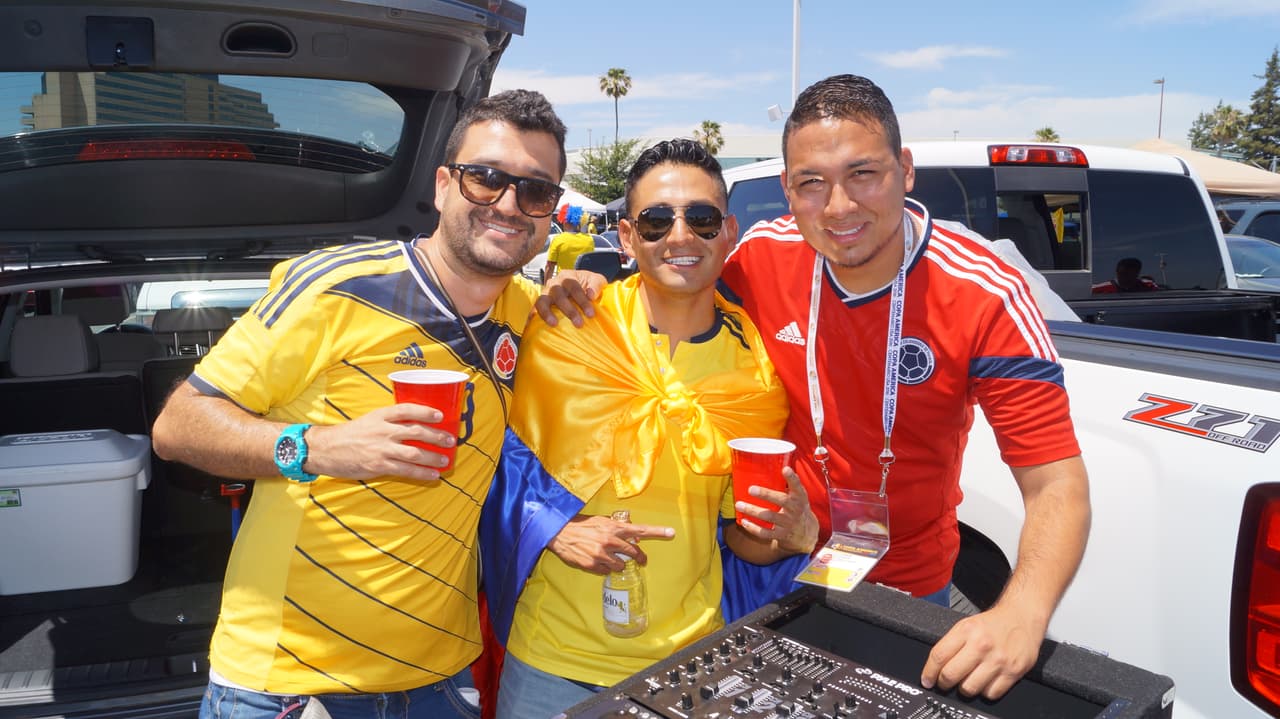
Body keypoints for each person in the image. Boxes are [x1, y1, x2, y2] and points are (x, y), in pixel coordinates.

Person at [540, 74, 1091, 703]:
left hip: (904, 588)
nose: (838, 207)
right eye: (812, 183)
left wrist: (1022, 611)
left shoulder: (984, 293)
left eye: (863, 173)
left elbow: (1055, 482)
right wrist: (589, 286)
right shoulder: (762, 257)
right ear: (788, 190)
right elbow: (671, 281)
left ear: (906, 170)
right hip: (769, 572)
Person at [150, 89, 569, 719]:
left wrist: (581, 282)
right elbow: (178, 426)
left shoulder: (528, 314)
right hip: (288, 686)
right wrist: (319, 447)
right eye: (485, 178)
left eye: (534, 191)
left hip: (440, 682)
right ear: (443, 185)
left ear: (550, 211)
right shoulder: (336, 288)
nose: (508, 204)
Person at [479, 138, 818, 718]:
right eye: (657, 221)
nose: (680, 237)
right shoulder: (565, 328)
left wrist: (788, 534)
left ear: (729, 233)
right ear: (628, 238)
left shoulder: (756, 373)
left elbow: (740, 535)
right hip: (550, 663)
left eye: (701, 219)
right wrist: (557, 529)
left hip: (692, 663)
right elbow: (492, 463)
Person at [543, 206, 596, 281]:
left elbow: (550, 266)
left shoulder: (559, 239)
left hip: (564, 283)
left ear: (565, 222)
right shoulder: (589, 240)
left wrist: (546, 285)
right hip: (583, 283)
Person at [1091, 256, 1160, 293]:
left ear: (1137, 273)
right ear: (1117, 272)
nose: (1128, 277)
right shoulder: (1099, 289)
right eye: (1124, 273)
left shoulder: (1149, 285)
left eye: (1132, 273)